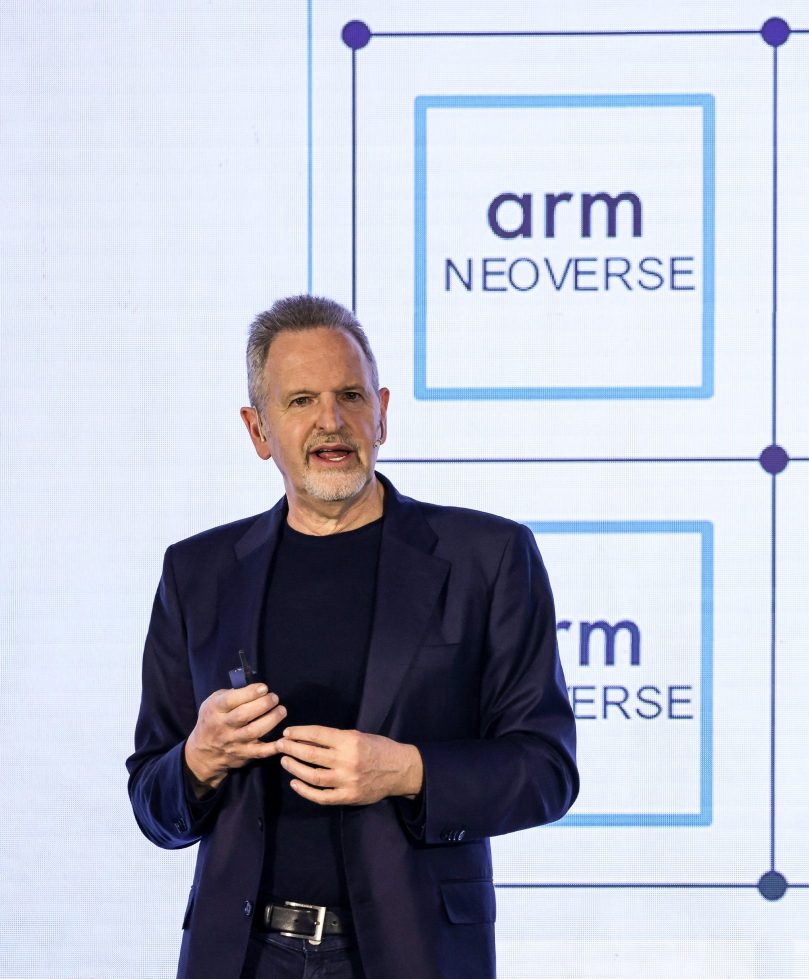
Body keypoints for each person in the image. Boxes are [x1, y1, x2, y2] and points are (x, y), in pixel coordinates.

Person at [126, 295, 579, 979]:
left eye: (350, 396)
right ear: (257, 429)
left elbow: (547, 769)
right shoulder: (198, 573)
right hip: (242, 958)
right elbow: (152, 803)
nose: (331, 421)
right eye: (300, 400)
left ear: (382, 412)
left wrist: (408, 771)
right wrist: (198, 758)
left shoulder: (487, 557)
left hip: (414, 953)